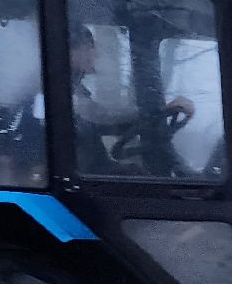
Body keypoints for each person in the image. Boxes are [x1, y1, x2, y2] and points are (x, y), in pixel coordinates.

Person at [68, 26, 196, 174]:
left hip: (93, 169)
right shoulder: (63, 89)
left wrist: (156, 115)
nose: (94, 53)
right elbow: (100, 117)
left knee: (139, 174)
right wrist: (160, 110)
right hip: (82, 176)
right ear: (71, 50)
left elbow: (109, 125)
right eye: (89, 46)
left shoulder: (76, 88)